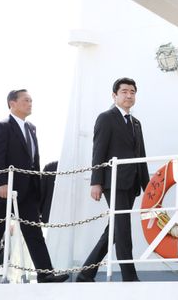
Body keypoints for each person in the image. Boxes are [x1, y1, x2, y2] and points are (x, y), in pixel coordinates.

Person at [0, 89, 69, 283]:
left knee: (34, 233)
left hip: (28, 191)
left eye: (31, 100)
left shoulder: (31, 128)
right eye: (26, 100)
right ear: (12, 103)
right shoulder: (2, 126)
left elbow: (35, 161)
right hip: (5, 190)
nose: (30, 103)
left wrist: (37, 187)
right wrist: (1, 183)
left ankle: (45, 273)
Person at [76, 78, 149, 282]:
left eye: (132, 92)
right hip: (113, 182)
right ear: (114, 95)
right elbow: (98, 151)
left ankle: (85, 273)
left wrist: (149, 187)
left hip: (131, 184)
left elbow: (141, 155)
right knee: (123, 229)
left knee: (115, 229)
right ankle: (129, 277)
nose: (129, 95)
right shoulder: (106, 118)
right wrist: (95, 182)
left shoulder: (136, 123)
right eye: (124, 91)